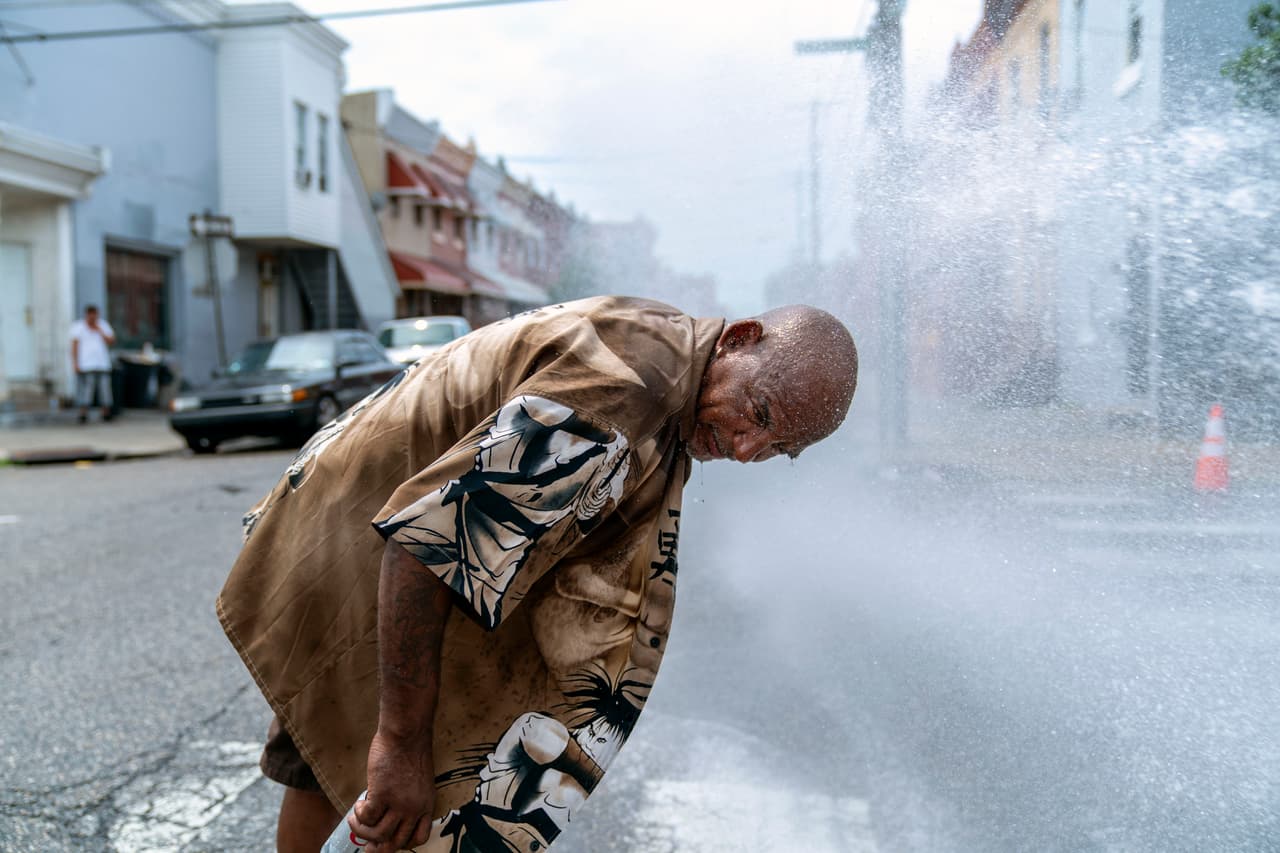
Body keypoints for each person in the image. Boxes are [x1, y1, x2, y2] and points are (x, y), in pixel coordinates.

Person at [217, 296, 858, 853]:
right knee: (373, 773)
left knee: (334, 759)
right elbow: (424, 549)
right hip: (356, 553)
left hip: (360, 532)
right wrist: (401, 744)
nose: (747, 450)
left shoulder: (671, 356)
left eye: (779, 450)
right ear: (740, 338)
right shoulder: (623, 391)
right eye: (761, 413)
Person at [69, 304, 116, 423]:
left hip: (102, 364)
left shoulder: (103, 325)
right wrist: (75, 363)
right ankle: (83, 413)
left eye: (95, 315)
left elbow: (111, 341)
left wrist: (99, 330)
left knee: (104, 389)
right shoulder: (79, 327)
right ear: (87, 315)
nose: (93, 318)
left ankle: (106, 413)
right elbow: (74, 346)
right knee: (86, 390)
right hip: (86, 365)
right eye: (91, 315)